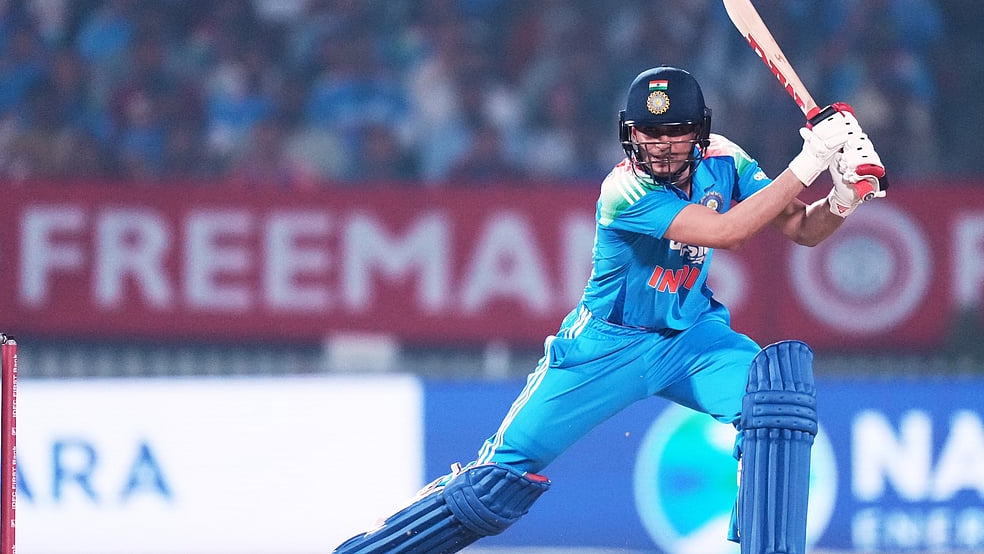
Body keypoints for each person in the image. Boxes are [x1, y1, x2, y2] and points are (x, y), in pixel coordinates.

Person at [331, 65, 887, 554]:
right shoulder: (622, 190)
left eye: (675, 133)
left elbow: (801, 229)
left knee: (776, 399)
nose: (661, 145)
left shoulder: (728, 160)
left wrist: (843, 193)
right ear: (629, 133)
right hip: (605, 347)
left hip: (690, 339)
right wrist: (813, 157)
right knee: (493, 481)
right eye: (648, 132)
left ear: (700, 133)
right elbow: (730, 232)